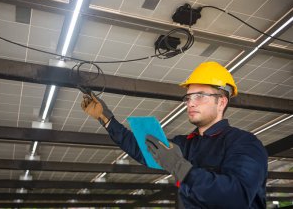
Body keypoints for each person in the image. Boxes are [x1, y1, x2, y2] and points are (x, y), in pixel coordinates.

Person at [81, 61, 268, 209]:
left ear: (221, 102)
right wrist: (107, 120)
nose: (191, 103)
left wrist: (179, 167)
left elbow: (237, 198)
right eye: (188, 97)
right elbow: (144, 150)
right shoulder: (185, 144)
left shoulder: (244, 143)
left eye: (200, 96)